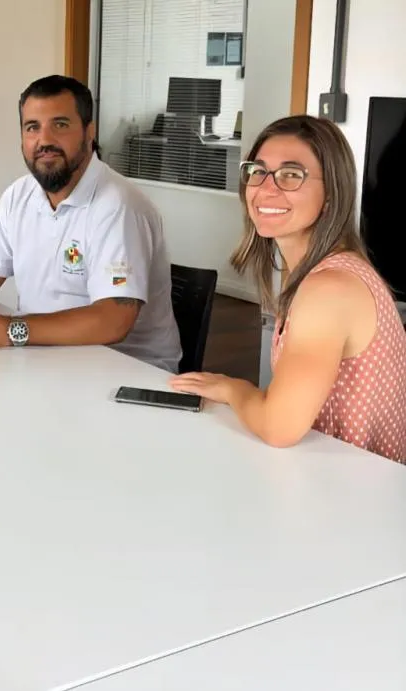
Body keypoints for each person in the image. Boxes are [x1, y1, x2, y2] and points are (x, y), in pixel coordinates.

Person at [169, 115, 406, 462]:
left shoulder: (329, 289)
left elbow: (279, 428)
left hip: (356, 498)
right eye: (258, 171)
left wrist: (236, 389)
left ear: (331, 195)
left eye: (292, 175)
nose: (266, 188)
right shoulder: (323, 270)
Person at [0, 75, 182, 372]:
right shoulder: (19, 195)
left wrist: (8, 330)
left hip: (125, 371)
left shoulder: (118, 206)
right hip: (44, 356)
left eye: (60, 125)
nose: (45, 140)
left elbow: (113, 320)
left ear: (89, 132)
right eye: (32, 127)